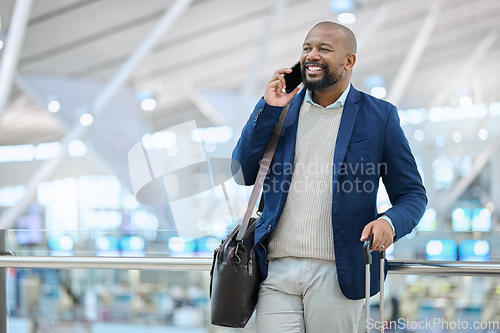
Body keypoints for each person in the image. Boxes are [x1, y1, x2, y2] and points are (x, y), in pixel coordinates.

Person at [231, 21, 427, 332]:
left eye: (324, 49)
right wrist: (267, 108)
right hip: (276, 271)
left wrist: (389, 223)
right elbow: (242, 171)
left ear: (349, 61)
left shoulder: (379, 116)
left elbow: (413, 195)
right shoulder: (281, 110)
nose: (312, 55)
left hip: (339, 272)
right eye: (307, 48)